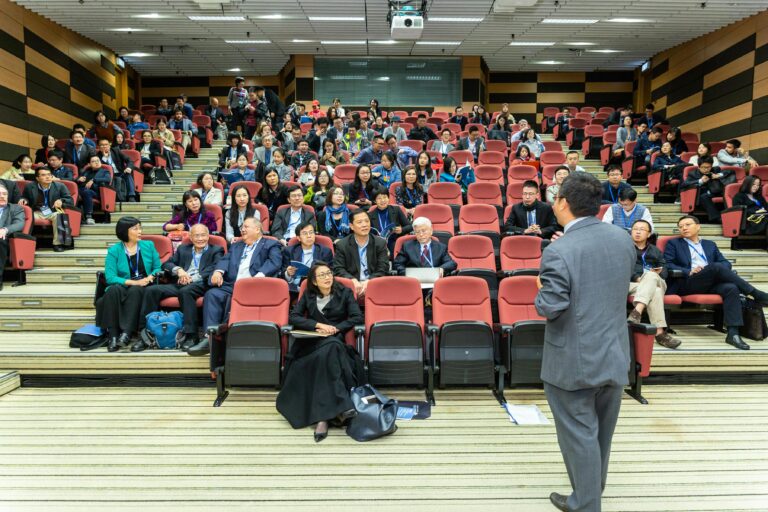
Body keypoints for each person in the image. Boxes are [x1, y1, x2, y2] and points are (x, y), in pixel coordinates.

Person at [534, 172, 636, 512]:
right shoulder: (622, 239)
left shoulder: (559, 249)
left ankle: (587, 504)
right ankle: (590, 493)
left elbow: (552, 306)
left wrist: (539, 290)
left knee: (579, 436)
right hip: (615, 353)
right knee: (600, 436)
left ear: (563, 203)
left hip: (573, 361)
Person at [276, 262, 365, 441]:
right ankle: (341, 408)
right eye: (322, 275)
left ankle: (322, 419)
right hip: (311, 343)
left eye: (329, 273)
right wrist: (317, 325)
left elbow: (357, 317)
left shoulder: (345, 292)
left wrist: (335, 328)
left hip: (335, 340)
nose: (327, 277)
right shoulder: (308, 295)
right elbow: (294, 317)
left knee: (331, 349)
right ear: (314, 281)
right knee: (328, 354)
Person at [664, 215, 768, 350]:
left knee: (731, 288)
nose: (683, 228)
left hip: (710, 281)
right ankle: (756, 294)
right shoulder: (674, 244)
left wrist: (710, 270)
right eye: (680, 226)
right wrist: (689, 271)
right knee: (716, 267)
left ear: (698, 227)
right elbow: (667, 264)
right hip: (687, 282)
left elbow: (726, 263)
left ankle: (733, 333)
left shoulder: (710, 244)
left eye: (687, 225)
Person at [193, 217, 283, 355]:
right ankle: (209, 338)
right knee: (212, 294)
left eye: (246, 227)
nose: (242, 229)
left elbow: (274, 262)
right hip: (232, 284)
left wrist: (258, 278)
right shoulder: (236, 245)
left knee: (233, 300)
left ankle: (223, 341)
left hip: (255, 287)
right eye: (242, 227)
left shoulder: (271, 244)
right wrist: (218, 272)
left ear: (257, 229)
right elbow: (225, 259)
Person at [136, 223, 224, 352]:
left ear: (208, 236)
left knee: (185, 291)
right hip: (181, 282)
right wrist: (179, 271)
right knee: (151, 290)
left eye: (203, 235)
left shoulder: (216, 250)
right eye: (197, 236)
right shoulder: (183, 249)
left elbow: (215, 267)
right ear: (191, 237)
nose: (200, 239)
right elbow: (167, 264)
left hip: (202, 284)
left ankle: (192, 335)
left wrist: (192, 278)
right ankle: (144, 334)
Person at [96, 217, 162, 352]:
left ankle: (126, 333)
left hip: (143, 285)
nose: (140, 231)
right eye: (135, 229)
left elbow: (157, 268)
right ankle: (113, 336)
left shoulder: (148, 245)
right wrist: (133, 282)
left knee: (136, 290)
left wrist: (150, 277)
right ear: (124, 231)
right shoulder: (114, 250)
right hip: (123, 284)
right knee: (112, 291)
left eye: (140, 228)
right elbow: (110, 277)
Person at [627, 219, 682, 349]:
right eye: (635, 229)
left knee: (651, 276)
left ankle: (637, 311)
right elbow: (621, 267)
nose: (638, 232)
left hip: (656, 281)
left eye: (642, 229)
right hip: (632, 284)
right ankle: (659, 333)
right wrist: (637, 278)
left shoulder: (655, 250)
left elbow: (664, 269)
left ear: (649, 234)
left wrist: (655, 274)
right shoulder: (624, 248)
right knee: (655, 291)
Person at [332, 209, 389, 297]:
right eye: (359, 222)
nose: (364, 225)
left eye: (367, 221)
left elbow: (383, 268)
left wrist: (370, 281)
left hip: (375, 284)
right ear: (351, 226)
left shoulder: (380, 243)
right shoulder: (342, 245)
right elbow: (338, 268)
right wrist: (352, 280)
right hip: (351, 286)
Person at [22, 167, 74, 251]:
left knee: (59, 216)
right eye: (43, 175)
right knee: (23, 217)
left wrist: (61, 201)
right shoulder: (30, 186)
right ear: (37, 178)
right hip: (36, 212)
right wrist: (23, 200)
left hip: (52, 211)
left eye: (49, 175)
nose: (47, 177)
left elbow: (70, 200)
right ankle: (25, 243)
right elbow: (24, 197)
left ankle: (58, 244)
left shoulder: (60, 186)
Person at [282, 221, 334, 292]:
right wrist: (288, 273)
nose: (309, 236)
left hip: (318, 287)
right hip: (295, 288)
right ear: (298, 238)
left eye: (311, 232)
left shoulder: (325, 251)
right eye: (305, 233)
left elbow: (331, 271)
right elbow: (282, 273)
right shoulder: (289, 251)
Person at [681, 156, 734, 222]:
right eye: (703, 167)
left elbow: (731, 171)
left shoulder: (715, 170)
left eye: (708, 167)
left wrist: (718, 175)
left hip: (717, 192)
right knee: (704, 196)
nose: (706, 169)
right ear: (698, 166)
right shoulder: (693, 173)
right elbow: (684, 184)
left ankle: (731, 216)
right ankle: (718, 218)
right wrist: (700, 181)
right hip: (701, 194)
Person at [0, 183, 26, 290]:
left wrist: (5, 230)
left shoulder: (15, 208)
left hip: (5, 240)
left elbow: (19, 224)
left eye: (4, 194)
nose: (2, 196)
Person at [78, 154, 112, 225]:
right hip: (83, 190)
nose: (96, 162)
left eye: (98, 160)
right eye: (93, 161)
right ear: (89, 164)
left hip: (97, 192)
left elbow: (108, 179)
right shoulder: (86, 172)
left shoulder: (105, 171)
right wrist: (78, 179)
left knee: (87, 192)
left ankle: (89, 216)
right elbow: (78, 180)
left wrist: (94, 180)